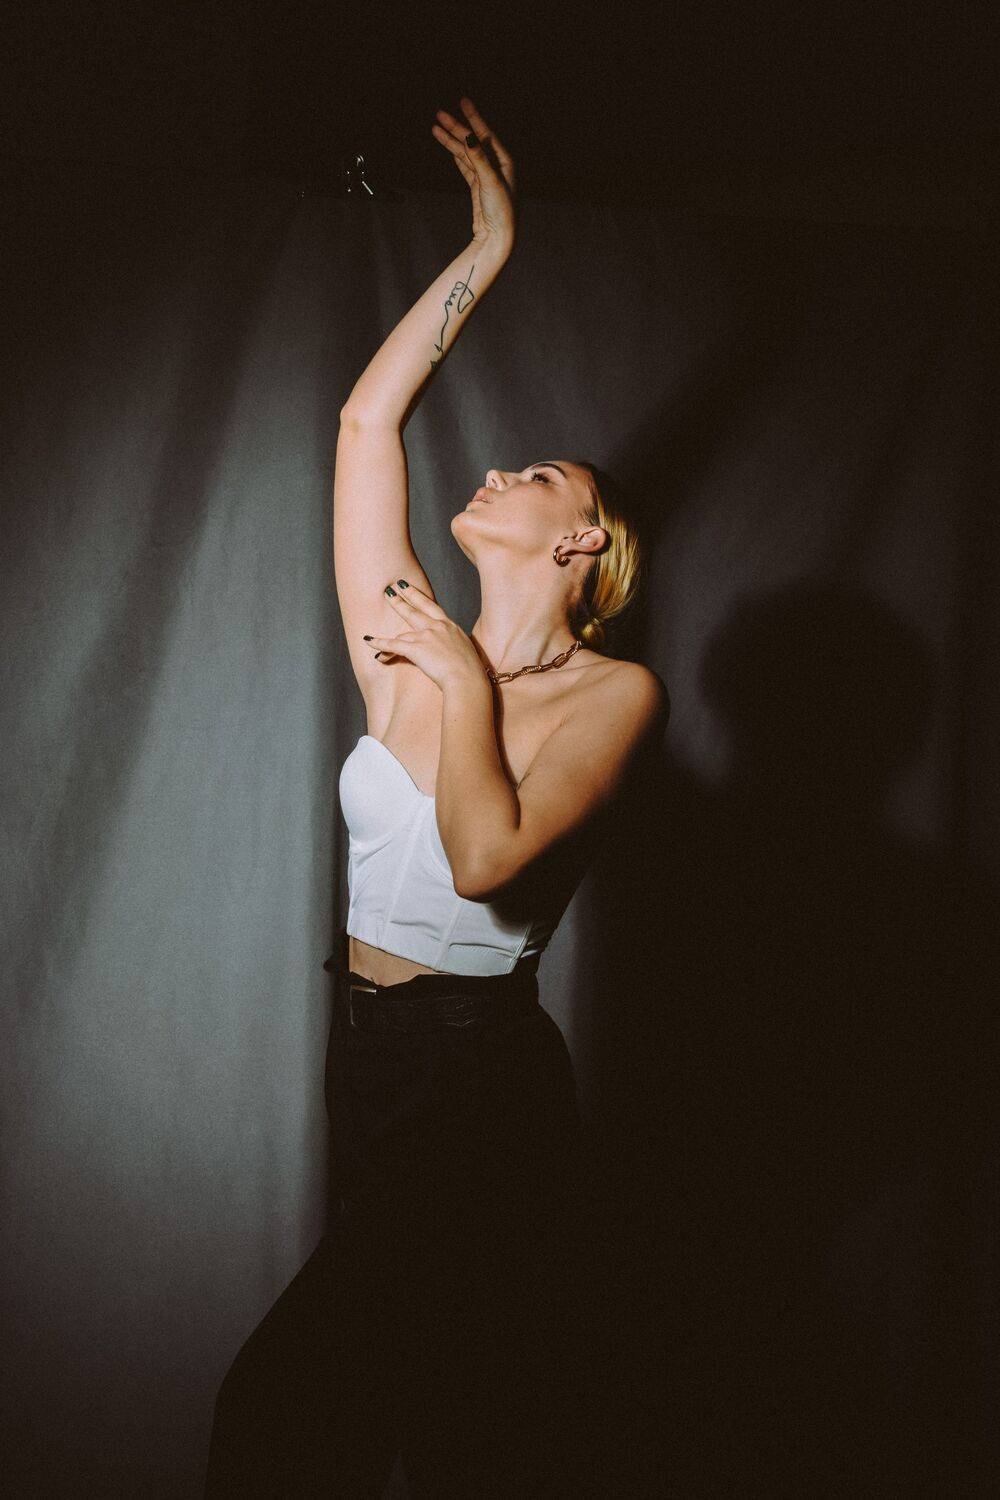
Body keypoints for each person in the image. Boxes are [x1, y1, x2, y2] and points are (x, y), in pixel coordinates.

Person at [204, 96, 669, 1498]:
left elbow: (483, 861)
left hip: (478, 1077)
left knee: (322, 1413)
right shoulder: (409, 643)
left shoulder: (612, 696)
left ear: (580, 540)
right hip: (374, 1058)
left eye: (537, 476)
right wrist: (489, 245)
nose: (498, 469)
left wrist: (467, 684)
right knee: (404, 1411)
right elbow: (367, 419)